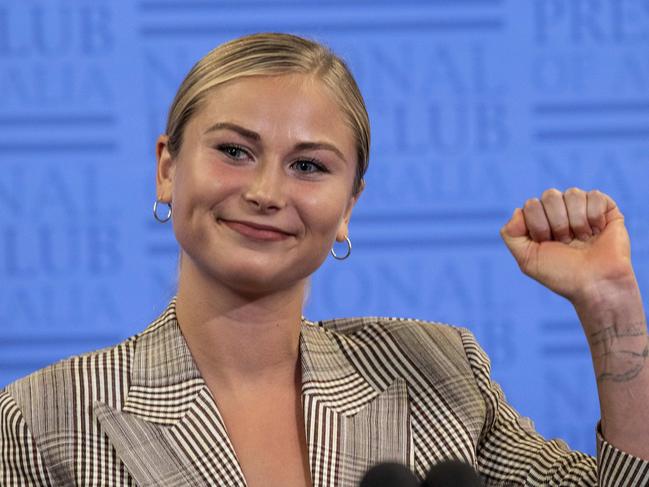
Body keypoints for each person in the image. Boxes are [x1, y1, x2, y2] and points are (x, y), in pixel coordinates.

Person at [1, 32, 648, 487]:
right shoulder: (45, 417)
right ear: (167, 167)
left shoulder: (434, 371)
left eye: (308, 165)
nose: (265, 192)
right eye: (234, 150)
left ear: (347, 205)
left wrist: (610, 304)